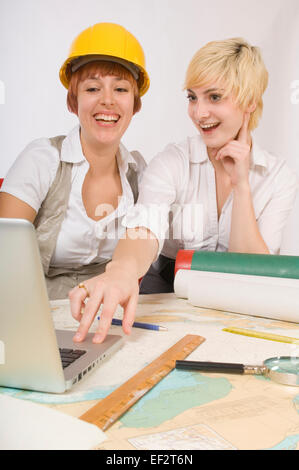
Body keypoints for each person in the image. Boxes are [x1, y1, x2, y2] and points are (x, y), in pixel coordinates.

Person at [70, 37, 298, 344]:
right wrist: (122, 270)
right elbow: (145, 223)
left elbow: (256, 272)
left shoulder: (277, 176)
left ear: (250, 102)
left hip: (242, 301)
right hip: (167, 290)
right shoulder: (173, 160)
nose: (199, 113)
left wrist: (242, 186)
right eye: (193, 97)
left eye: (214, 97)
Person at [0, 22, 150, 300]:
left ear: (135, 104)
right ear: (73, 101)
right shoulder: (42, 159)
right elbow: (3, 257)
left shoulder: (138, 173)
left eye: (121, 89)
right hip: (34, 307)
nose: (108, 101)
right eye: (93, 89)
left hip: (105, 311)